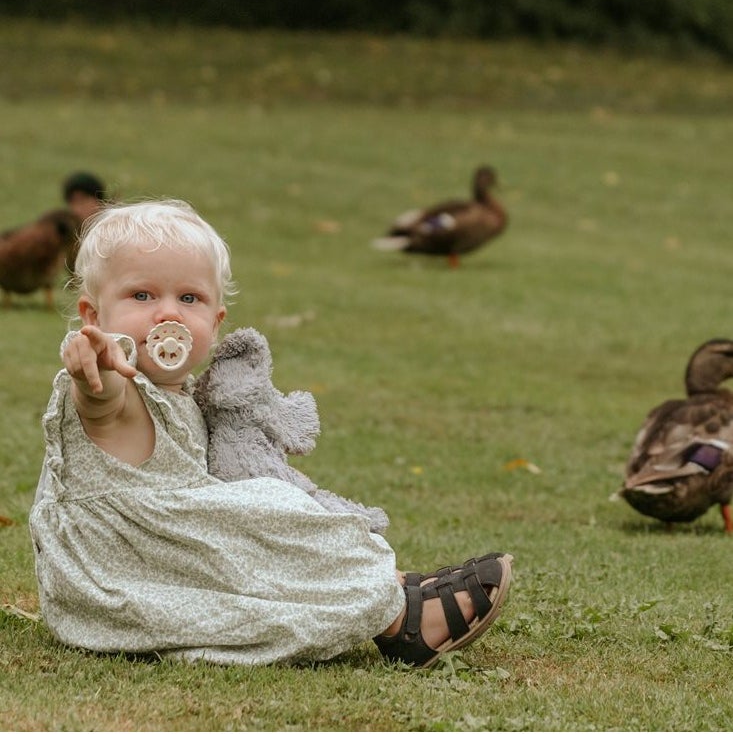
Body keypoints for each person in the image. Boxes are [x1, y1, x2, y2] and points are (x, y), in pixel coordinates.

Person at [30, 199, 512, 668]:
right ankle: (402, 620)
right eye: (142, 296)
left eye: (189, 298)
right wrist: (95, 367)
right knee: (272, 510)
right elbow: (100, 405)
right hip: (118, 579)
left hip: (168, 560)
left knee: (269, 523)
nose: (168, 314)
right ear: (93, 317)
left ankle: (392, 585)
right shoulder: (119, 388)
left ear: (215, 324)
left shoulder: (185, 396)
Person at [61, 172, 109, 272]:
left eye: (83, 201)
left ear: (98, 201)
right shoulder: (70, 237)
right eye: (73, 202)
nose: (77, 209)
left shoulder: (113, 232)